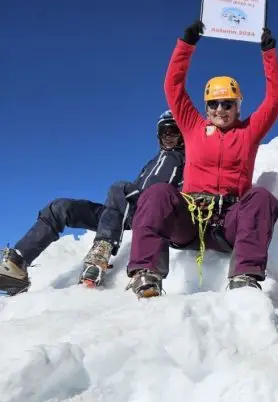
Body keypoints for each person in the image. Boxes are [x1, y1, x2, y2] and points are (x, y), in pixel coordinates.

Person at [125, 20, 278, 298]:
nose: (220, 109)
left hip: (230, 223)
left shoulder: (248, 132)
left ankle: (244, 278)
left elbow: (275, 99)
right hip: (190, 220)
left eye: (227, 104)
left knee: (261, 198)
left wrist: (268, 54)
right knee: (159, 192)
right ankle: (146, 274)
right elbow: (173, 86)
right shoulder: (193, 126)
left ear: (237, 106)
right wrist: (186, 45)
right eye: (213, 103)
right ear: (206, 106)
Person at [0, 111, 185, 295]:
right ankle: (18, 262)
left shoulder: (189, 160)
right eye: (163, 132)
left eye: (173, 132)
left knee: (119, 187)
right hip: (123, 212)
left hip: (151, 214)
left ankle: (102, 249)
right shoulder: (152, 163)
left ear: (183, 134)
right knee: (60, 207)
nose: (168, 137)